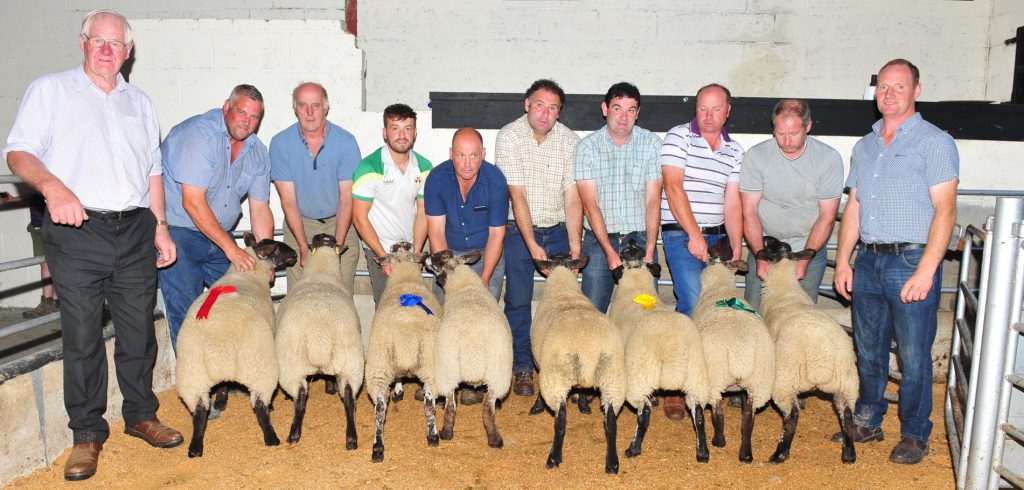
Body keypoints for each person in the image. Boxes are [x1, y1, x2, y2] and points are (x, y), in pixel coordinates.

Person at [3, 9, 182, 481]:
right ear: (82, 42)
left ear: (128, 51)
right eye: (97, 40)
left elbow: (152, 171)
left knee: (138, 329)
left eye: (116, 43)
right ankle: (86, 434)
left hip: (136, 227)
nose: (106, 49)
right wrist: (53, 188)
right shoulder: (51, 90)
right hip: (78, 229)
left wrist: (160, 225)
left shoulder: (139, 102)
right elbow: (19, 152)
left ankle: (141, 414)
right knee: (82, 335)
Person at [834, 59, 958, 465]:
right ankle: (868, 420)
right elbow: (854, 205)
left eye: (899, 86)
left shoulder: (935, 142)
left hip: (911, 259)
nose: (889, 94)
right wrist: (842, 261)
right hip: (868, 260)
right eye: (883, 87)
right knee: (868, 349)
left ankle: (915, 432)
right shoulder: (864, 145)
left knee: (913, 354)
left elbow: (946, 210)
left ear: (916, 91)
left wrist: (926, 270)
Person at [159, 84, 274, 349]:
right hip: (180, 234)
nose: (247, 122)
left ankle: (231, 370)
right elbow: (193, 203)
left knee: (243, 297)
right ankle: (194, 384)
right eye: (241, 112)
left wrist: (264, 259)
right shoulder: (199, 135)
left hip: (220, 236)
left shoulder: (257, 151)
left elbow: (260, 208)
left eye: (254, 117)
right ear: (226, 107)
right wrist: (232, 250)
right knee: (187, 312)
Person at [659, 83, 744, 420]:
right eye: (702, 108)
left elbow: (732, 201)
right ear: (695, 109)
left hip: (719, 237)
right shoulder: (678, 137)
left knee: (719, 306)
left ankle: (711, 379)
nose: (708, 116)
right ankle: (677, 386)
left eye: (716, 109)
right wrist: (694, 236)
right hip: (681, 234)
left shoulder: (735, 150)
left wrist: (736, 247)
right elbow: (673, 186)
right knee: (692, 301)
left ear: (728, 110)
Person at [494, 79, 581, 398]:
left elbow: (573, 196)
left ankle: (563, 366)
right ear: (527, 104)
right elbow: (516, 195)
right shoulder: (509, 136)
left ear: (559, 113)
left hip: (559, 227)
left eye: (553, 107)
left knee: (566, 301)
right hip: (519, 229)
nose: (546, 113)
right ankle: (521, 367)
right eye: (540, 105)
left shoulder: (570, 141)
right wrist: (533, 248)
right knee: (517, 299)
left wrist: (575, 246)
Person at [424, 128, 508, 405]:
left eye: (474, 155)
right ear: (451, 154)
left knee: (481, 317)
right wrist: (447, 272)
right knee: (444, 316)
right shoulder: (436, 178)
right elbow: (435, 230)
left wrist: (483, 277)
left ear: (483, 155)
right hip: (449, 250)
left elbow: (497, 233)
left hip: (486, 253)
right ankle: (440, 378)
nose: (468, 163)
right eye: (461, 155)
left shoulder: (495, 180)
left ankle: (476, 381)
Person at [740, 99, 843, 310]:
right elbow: (749, 212)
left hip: (807, 248)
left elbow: (827, 216)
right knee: (754, 314)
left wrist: (805, 259)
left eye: (793, 134)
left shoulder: (828, 158)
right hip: (765, 248)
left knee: (799, 318)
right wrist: (760, 255)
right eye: (780, 133)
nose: (786, 141)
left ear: (808, 127)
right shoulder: (756, 156)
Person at [574, 82, 662, 313]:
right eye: (617, 108)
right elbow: (590, 204)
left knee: (647, 312)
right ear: (605, 109)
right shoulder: (587, 148)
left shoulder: (652, 144)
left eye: (630, 110)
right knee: (592, 311)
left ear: (637, 113)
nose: (623, 117)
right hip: (599, 240)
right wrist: (609, 252)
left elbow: (653, 199)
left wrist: (651, 250)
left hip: (641, 238)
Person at [270, 82, 361, 293]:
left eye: (316, 105)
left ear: (326, 108)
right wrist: (303, 246)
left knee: (340, 295)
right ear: (295, 109)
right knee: (299, 296)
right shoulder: (280, 143)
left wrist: (337, 247)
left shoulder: (346, 142)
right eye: (303, 105)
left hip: (340, 224)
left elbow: (347, 199)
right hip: (300, 225)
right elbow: (289, 201)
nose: (310, 113)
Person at [352, 103, 432, 307]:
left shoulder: (424, 167)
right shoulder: (368, 167)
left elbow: (423, 213)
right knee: (388, 309)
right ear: (385, 133)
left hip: (410, 251)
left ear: (415, 132)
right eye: (395, 128)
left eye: (407, 128)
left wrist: (416, 254)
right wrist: (384, 257)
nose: (402, 135)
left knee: (414, 307)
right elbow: (359, 218)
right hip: (381, 248)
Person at [23, 195, 60, 318]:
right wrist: (15, 198)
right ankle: (50, 302)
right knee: (45, 264)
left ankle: (54, 301)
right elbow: (35, 188)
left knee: (58, 263)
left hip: (54, 224)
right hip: (37, 224)